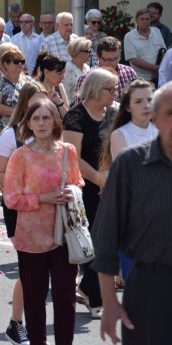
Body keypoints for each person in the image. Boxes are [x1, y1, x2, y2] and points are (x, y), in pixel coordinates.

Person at [92, 80, 172, 345]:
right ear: (155, 118)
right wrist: (108, 299)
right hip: (150, 288)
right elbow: (106, 233)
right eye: (171, 113)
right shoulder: (131, 163)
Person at [3, 99, 84, 345]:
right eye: (35, 118)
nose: (40, 123)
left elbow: (78, 182)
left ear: (55, 122)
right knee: (35, 297)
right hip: (31, 238)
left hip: (65, 234)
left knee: (65, 297)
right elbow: (10, 197)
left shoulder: (67, 152)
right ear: (28, 123)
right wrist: (43, 198)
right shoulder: (21, 155)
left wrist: (70, 191)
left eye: (46, 118)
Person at [0, 82, 50, 345]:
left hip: (49, 208)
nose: (42, 108)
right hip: (21, 209)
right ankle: (16, 324)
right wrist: (29, 185)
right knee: (30, 269)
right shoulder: (10, 136)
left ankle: (30, 325)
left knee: (45, 270)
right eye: (36, 102)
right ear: (25, 104)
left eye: (45, 103)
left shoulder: (52, 134)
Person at [62, 68, 118, 319]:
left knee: (109, 242)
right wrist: (98, 178)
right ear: (95, 89)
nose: (114, 93)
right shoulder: (75, 116)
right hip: (85, 187)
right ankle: (95, 298)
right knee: (94, 242)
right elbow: (72, 158)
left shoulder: (115, 113)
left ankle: (85, 288)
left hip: (111, 185)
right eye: (110, 89)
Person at [97, 78, 156, 283]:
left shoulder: (163, 132)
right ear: (128, 107)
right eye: (139, 101)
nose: (146, 105)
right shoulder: (120, 135)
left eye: (149, 99)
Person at [75, 37, 138, 102]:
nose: (113, 63)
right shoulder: (86, 79)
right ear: (98, 56)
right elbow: (82, 109)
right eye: (108, 60)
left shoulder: (129, 73)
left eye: (116, 58)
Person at [0, 46, 31, 135]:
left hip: (26, 128)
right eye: (16, 61)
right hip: (4, 128)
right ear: (6, 64)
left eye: (22, 61)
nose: (20, 64)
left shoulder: (29, 81)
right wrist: (19, 112)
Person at [124, 8, 166, 83]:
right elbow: (134, 60)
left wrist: (159, 69)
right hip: (140, 79)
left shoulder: (156, 31)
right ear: (136, 20)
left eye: (147, 19)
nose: (145, 21)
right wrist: (155, 68)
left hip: (158, 77)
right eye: (142, 19)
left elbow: (163, 51)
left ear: (150, 20)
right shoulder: (129, 37)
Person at [32, 52, 70, 117]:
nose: (63, 77)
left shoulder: (59, 87)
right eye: (59, 73)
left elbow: (67, 117)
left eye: (63, 73)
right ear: (46, 72)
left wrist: (59, 102)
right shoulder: (34, 88)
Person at [62, 38, 92, 104]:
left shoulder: (87, 67)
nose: (90, 53)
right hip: (73, 107)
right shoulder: (67, 69)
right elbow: (65, 93)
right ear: (78, 52)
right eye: (88, 51)